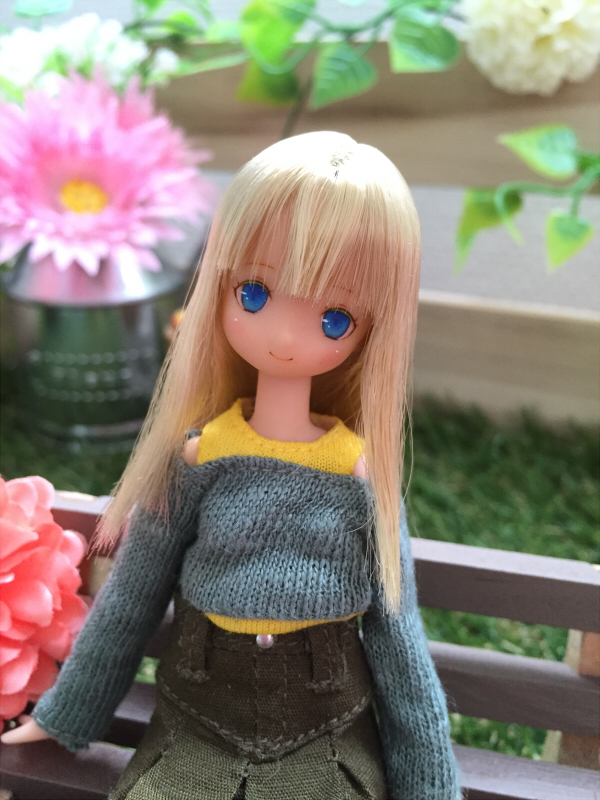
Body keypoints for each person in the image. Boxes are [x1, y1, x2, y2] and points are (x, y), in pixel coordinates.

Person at [2, 131, 461, 800]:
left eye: (334, 319)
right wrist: (66, 713)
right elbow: (132, 596)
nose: (285, 337)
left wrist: (430, 784)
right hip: (198, 715)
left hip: (323, 723)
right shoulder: (198, 457)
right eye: (254, 294)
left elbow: (397, 636)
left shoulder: (358, 476)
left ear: (371, 329)